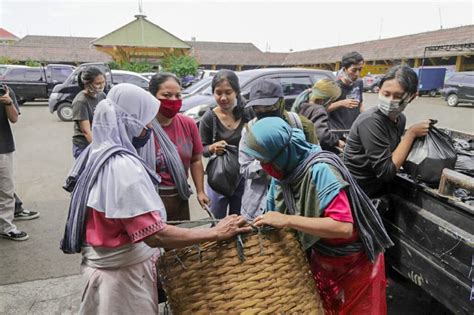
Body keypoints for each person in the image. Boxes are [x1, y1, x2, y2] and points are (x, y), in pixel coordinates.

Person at [61, 83, 250, 314]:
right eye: (145, 120)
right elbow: (155, 235)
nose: (149, 127)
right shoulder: (122, 167)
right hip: (123, 282)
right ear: (129, 121)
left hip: (108, 268)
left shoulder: (96, 152)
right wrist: (216, 232)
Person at [244, 117, 393, 314]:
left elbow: (342, 227)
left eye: (265, 161)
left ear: (281, 153)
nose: (263, 167)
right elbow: (271, 215)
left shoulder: (321, 170)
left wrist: (288, 220)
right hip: (323, 258)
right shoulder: (284, 176)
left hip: (354, 262)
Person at [343, 65, 431, 197]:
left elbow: (392, 155)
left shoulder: (400, 119)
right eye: (386, 94)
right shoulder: (371, 121)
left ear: (411, 97)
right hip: (358, 189)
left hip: (376, 186)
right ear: (379, 91)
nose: (390, 100)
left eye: (398, 96)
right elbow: (386, 172)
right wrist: (410, 134)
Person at [239, 79, 317, 221]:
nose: (263, 112)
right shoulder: (250, 130)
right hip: (257, 207)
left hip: (296, 205)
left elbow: (315, 161)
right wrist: (266, 162)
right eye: (258, 108)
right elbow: (245, 168)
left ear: (281, 102)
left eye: (269, 107)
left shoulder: (301, 125)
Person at [148, 72, 210, 221]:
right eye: (167, 95)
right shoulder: (144, 127)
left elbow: (195, 160)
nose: (173, 100)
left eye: (178, 95)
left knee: (181, 241)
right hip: (151, 200)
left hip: (180, 197)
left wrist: (200, 191)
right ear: (152, 97)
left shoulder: (188, 124)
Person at [199, 70, 249, 219]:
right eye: (218, 93)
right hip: (219, 179)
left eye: (228, 92)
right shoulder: (209, 118)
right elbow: (202, 149)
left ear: (237, 92)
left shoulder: (248, 113)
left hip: (244, 177)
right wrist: (213, 148)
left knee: (240, 221)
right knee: (218, 222)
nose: (223, 98)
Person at [0, 85, 29, 240]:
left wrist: (8, 102)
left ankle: (7, 227)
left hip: (3, 148)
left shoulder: (5, 90)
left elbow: (14, 118)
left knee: (6, 190)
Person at [298, 78, 345, 153]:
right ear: (322, 100)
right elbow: (322, 136)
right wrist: (337, 141)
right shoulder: (319, 110)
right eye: (331, 101)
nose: (331, 104)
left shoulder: (302, 104)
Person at [71, 67, 106, 158]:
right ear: (87, 84)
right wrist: (98, 150)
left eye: (103, 82)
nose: (101, 86)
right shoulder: (81, 102)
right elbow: (86, 132)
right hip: (84, 146)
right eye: (98, 83)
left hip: (99, 141)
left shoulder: (101, 96)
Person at [327, 51, 365, 131]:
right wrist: (341, 103)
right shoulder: (334, 86)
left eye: (360, 70)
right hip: (337, 133)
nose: (357, 74)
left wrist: (365, 118)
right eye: (354, 70)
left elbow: (360, 104)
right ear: (344, 69)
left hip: (353, 131)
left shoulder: (359, 83)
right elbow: (323, 109)